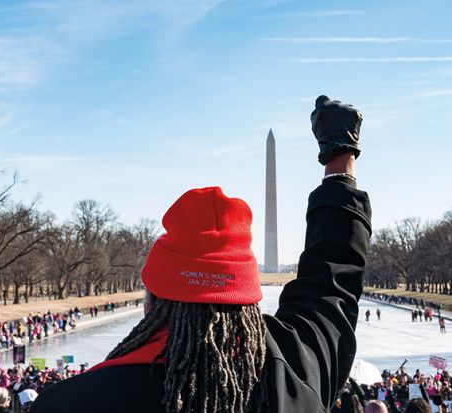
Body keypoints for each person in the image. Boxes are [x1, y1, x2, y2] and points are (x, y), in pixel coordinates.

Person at [30, 95, 371, 413]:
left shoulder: (69, 402)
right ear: (245, 303)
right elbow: (330, 291)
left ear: (151, 301)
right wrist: (340, 162)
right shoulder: (295, 380)